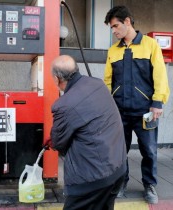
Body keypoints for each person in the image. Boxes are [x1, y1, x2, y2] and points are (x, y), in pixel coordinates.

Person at [104, 6, 170, 204]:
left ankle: (149, 185)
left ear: (127, 22)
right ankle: (121, 182)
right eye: (111, 28)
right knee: (118, 152)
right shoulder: (113, 51)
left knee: (149, 150)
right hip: (119, 111)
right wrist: (107, 105)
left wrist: (157, 102)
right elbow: (108, 80)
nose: (114, 31)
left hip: (145, 110)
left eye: (116, 26)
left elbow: (160, 75)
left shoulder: (150, 45)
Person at [48, 55, 127, 210]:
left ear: (57, 79)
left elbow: (58, 143)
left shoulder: (64, 105)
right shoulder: (98, 83)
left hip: (92, 179)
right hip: (118, 168)